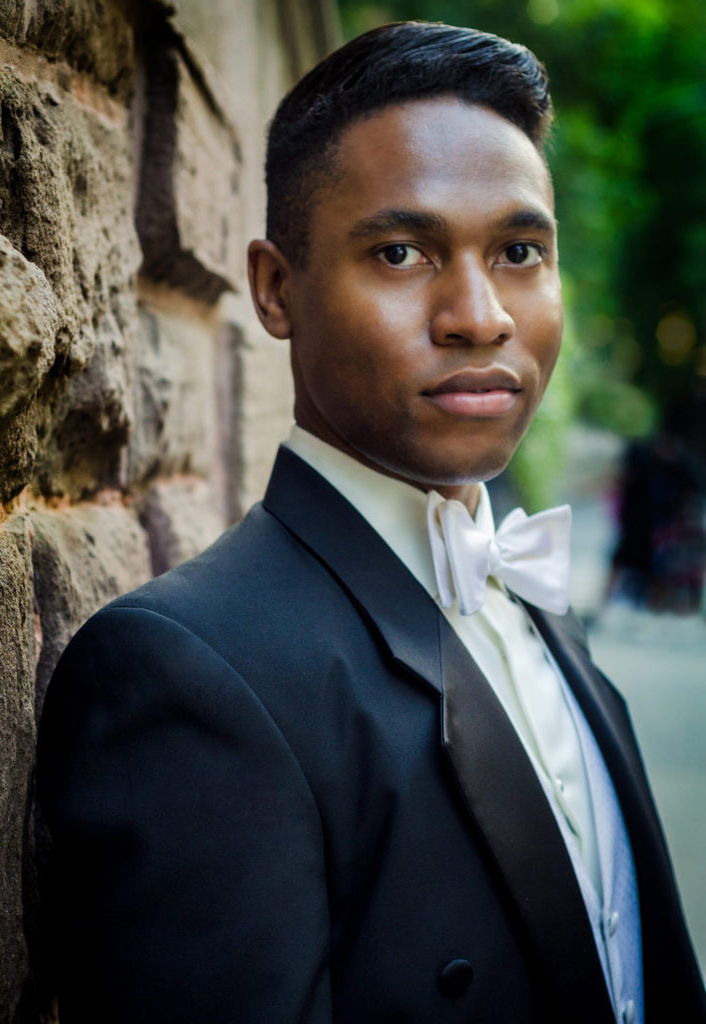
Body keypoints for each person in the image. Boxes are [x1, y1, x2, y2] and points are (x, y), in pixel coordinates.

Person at [37, 22, 706, 1024]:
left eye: (520, 250)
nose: (478, 315)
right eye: (400, 251)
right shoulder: (181, 677)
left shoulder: (534, 602)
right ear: (275, 288)